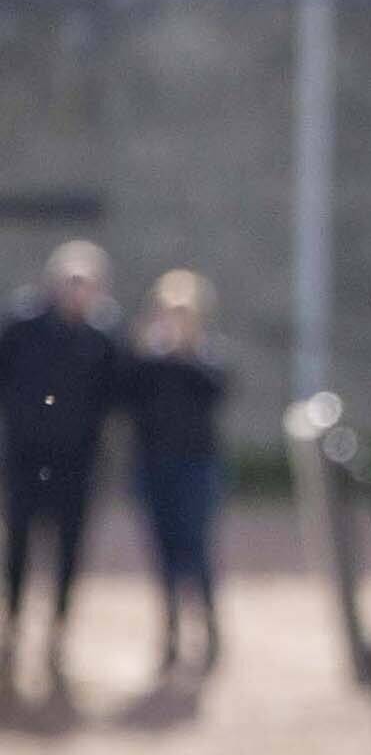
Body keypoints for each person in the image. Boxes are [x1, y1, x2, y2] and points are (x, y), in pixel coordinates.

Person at [0, 242, 122, 699]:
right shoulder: (22, 326)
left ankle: (57, 631)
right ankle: (12, 626)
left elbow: (118, 394)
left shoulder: (103, 337)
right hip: (26, 459)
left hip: (76, 464)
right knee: (18, 547)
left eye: (85, 283)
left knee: (69, 550)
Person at [118, 272, 228, 687]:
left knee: (195, 549)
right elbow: (125, 395)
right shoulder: (146, 362)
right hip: (153, 467)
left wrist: (186, 353)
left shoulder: (205, 360)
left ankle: (208, 627)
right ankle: (171, 632)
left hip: (197, 467)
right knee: (163, 552)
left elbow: (216, 390)